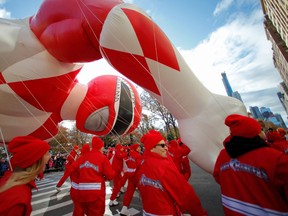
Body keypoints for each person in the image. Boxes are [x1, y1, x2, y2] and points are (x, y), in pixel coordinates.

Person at [213, 114, 288, 215]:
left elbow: (218, 177)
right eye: (261, 129)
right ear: (254, 132)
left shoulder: (223, 154)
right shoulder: (273, 157)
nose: (264, 131)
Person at [134, 130, 207, 216]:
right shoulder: (163, 166)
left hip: (147, 212)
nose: (166, 148)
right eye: (162, 145)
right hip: (165, 212)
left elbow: (138, 183)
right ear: (152, 147)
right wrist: (200, 213)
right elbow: (186, 195)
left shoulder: (141, 163)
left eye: (165, 144)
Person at [0, 136, 50, 216]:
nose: (50, 156)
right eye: (47, 153)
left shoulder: (11, 180)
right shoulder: (18, 198)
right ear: (35, 160)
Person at [69, 137, 115, 215]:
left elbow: (71, 170)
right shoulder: (103, 158)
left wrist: (78, 180)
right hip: (96, 194)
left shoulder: (82, 158)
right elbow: (110, 175)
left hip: (81, 193)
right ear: (101, 147)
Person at [120, 143, 142, 215]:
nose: (140, 148)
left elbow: (128, 162)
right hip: (137, 176)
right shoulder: (138, 155)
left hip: (130, 176)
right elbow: (140, 166)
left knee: (129, 192)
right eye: (138, 147)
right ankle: (150, 209)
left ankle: (124, 209)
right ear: (136, 148)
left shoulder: (131, 154)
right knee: (144, 192)